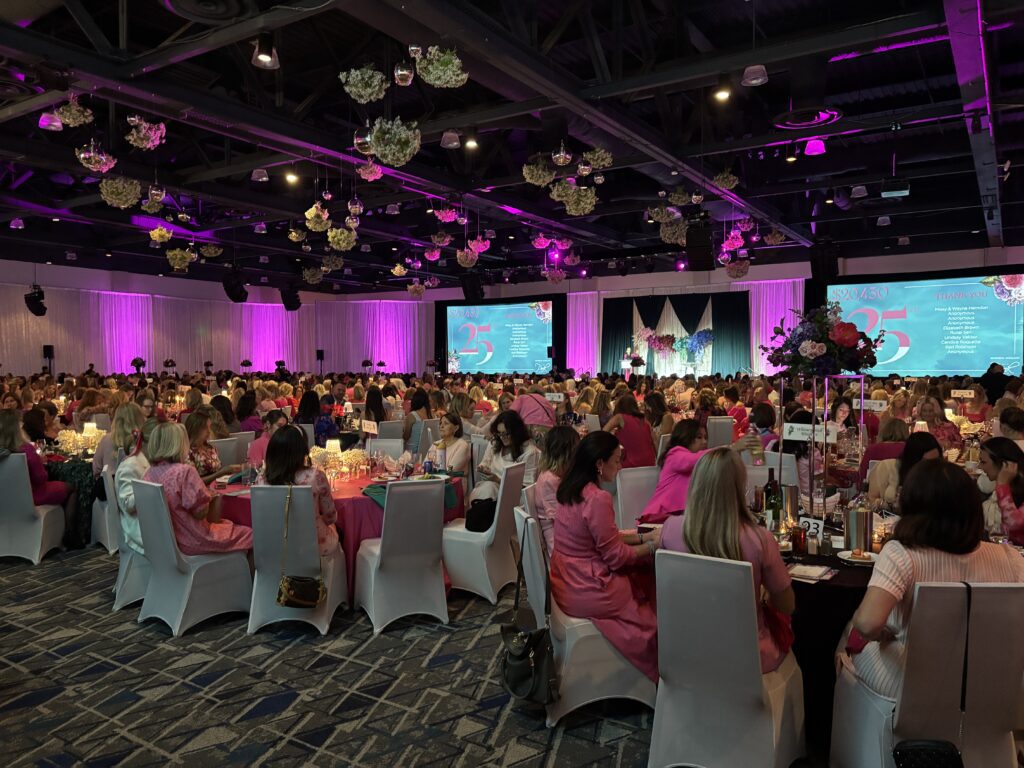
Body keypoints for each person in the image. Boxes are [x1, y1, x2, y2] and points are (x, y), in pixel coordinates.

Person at [845, 459, 1024, 699]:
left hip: (915, 687)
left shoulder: (902, 554)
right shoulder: (1011, 558)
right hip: (993, 688)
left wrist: (883, 634)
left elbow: (867, 623)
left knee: (850, 634)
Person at [661, 448, 795, 674]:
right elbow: (787, 604)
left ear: (696, 483)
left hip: (684, 650)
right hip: (747, 657)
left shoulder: (670, 529)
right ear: (740, 487)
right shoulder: (760, 540)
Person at [549, 431, 660, 682]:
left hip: (565, 579)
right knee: (644, 577)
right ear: (600, 464)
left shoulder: (570, 488)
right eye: (617, 461)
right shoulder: (598, 498)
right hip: (586, 587)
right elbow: (617, 558)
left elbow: (602, 539)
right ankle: (654, 653)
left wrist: (642, 538)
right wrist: (653, 546)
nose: (620, 466)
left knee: (641, 570)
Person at [142, 423, 252, 555]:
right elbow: (200, 513)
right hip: (194, 539)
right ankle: (251, 574)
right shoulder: (184, 472)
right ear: (179, 444)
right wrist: (209, 496)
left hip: (167, 545)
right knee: (250, 533)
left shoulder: (148, 474)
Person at [640, 420, 760, 524]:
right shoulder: (674, 455)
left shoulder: (702, 461)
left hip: (683, 518)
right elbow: (695, 460)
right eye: (699, 437)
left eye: (705, 437)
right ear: (685, 436)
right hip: (658, 520)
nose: (704, 442)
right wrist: (732, 447)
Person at [0, 409, 80, 547]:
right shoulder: (26, 450)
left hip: (4, 499)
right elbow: (41, 478)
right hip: (32, 496)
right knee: (71, 488)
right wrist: (41, 463)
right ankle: (70, 535)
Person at [255, 425, 339, 556]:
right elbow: (331, 516)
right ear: (303, 451)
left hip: (275, 547)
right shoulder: (315, 476)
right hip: (313, 547)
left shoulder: (262, 479)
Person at [469, 410, 539, 503]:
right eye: (499, 433)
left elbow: (526, 488)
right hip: (490, 493)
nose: (502, 437)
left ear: (517, 432)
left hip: (513, 499)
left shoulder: (529, 452)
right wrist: (483, 468)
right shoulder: (495, 443)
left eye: (506, 433)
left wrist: (498, 480)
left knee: (487, 492)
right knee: (485, 492)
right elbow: (485, 462)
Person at [532, 426, 580, 552]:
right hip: (558, 542)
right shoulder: (550, 479)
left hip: (564, 533)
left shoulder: (558, 474)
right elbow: (559, 519)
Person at [115, 417, 159, 555]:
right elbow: (127, 503)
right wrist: (151, 489)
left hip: (152, 518)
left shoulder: (152, 460)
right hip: (139, 526)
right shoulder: (130, 466)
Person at [867, 431, 942, 507]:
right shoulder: (887, 467)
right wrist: (889, 505)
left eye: (936, 461)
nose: (932, 466)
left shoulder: (940, 476)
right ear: (914, 458)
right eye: (927, 462)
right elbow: (870, 500)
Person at [977, 437, 1024, 534]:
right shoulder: (1009, 486)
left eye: (983, 462)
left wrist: (1002, 484)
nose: (979, 467)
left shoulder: (1005, 487)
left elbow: (1013, 524)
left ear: (1004, 465)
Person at [184, 410, 238, 485]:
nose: (209, 431)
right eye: (206, 428)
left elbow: (218, 471)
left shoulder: (209, 448)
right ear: (196, 429)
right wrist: (221, 472)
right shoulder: (188, 453)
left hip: (218, 487)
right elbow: (194, 482)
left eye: (209, 427)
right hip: (202, 491)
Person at [93, 402, 145, 478]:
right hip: (137, 486)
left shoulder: (106, 439)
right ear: (140, 419)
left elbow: (96, 469)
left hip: (108, 486)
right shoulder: (145, 441)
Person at [603, 394, 656, 468]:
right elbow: (654, 442)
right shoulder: (645, 421)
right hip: (650, 464)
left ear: (620, 406)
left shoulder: (619, 417)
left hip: (630, 466)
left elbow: (602, 433)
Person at [859, 418, 909, 484]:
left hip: (875, 489)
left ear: (885, 431)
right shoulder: (910, 449)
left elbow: (862, 476)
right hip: (903, 490)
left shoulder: (873, 449)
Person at [402, 388, 432, 455]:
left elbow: (406, 436)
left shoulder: (412, 415)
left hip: (411, 453)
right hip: (427, 451)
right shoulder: (432, 415)